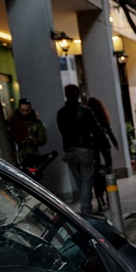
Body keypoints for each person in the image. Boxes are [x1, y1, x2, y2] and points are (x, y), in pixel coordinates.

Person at [57, 84, 103, 215]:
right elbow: (96, 129)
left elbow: (62, 131)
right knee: (86, 181)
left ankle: (85, 209)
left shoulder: (61, 113)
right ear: (77, 94)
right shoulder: (86, 111)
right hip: (84, 149)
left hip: (69, 150)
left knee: (79, 181)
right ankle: (86, 209)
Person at [7, 97, 48, 164]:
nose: (25, 113)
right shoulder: (12, 122)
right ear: (19, 109)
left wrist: (33, 141)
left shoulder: (36, 123)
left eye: (27, 110)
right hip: (17, 155)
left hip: (32, 155)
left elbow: (43, 138)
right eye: (22, 110)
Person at [85, 96, 119, 170]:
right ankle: (108, 173)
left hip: (93, 141)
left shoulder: (88, 116)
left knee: (96, 161)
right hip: (103, 140)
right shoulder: (101, 115)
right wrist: (115, 142)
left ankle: (99, 175)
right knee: (108, 160)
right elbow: (108, 130)